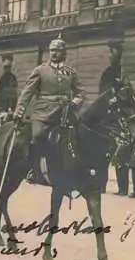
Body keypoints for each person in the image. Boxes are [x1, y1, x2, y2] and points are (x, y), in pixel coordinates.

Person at [13, 33, 85, 182]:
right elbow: (27, 93)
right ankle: (33, 169)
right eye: (52, 50)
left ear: (64, 53)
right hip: (43, 113)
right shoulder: (40, 70)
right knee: (37, 136)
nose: (54, 53)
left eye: (57, 51)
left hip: (65, 113)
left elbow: (81, 92)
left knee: (80, 135)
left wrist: (75, 102)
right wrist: (19, 111)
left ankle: (78, 168)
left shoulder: (71, 73)